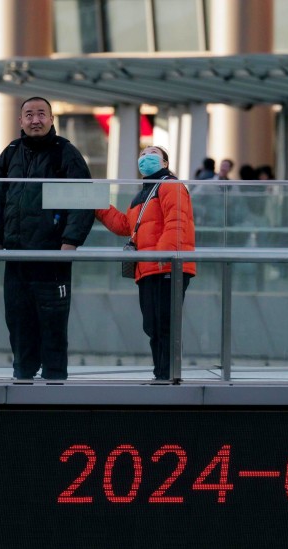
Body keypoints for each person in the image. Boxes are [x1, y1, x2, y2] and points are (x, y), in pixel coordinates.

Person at [0, 96, 93, 381]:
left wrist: (70, 242)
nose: (35, 120)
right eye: (29, 115)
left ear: (52, 119)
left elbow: (84, 201)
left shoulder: (65, 153)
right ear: (20, 121)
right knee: (18, 322)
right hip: (16, 257)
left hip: (51, 257)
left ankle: (54, 383)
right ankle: (22, 377)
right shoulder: (10, 153)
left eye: (41, 114)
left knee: (53, 323)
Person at [94, 146, 196, 382]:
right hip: (150, 268)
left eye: (152, 153)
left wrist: (161, 259)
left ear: (165, 162)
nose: (145, 157)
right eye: (141, 154)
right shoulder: (144, 194)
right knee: (154, 326)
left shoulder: (170, 186)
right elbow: (125, 226)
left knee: (164, 326)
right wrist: (98, 203)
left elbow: (177, 223)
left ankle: (168, 376)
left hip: (165, 266)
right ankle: (162, 375)